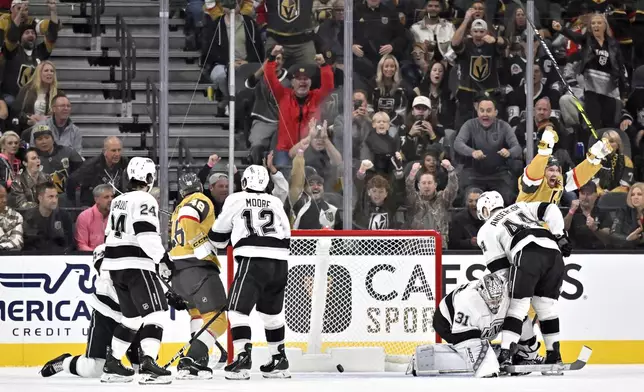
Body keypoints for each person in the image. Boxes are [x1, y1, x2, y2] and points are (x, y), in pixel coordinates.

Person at [208, 165, 292, 380]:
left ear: (244, 182)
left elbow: (218, 237)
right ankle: (279, 360)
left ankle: (242, 358)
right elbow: (286, 232)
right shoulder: (275, 201)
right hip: (280, 262)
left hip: (253, 260)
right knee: (270, 314)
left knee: (236, 311)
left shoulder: (236, 199)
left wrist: (225, 236)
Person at [475, 191, 572, 373]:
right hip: (554, 253)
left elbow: (501, 270)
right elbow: (550, 209)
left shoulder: (486, 229)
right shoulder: (520, 206)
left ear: (485, 210)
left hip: (527, 254)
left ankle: (506, 352)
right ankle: (554, 354)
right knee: (546, 307)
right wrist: (559, 235)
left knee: (517, 306)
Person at [100, 157, 174, 384]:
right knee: (157, 313)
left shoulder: (118, 200)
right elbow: (145, 232)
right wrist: (163, 258)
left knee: (131, 318)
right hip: (136, 264)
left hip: (115, 265)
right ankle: (149, 364)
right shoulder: (146, 199)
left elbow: (107, 235)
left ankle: (113, 363)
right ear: (150, 178)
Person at [39, 245, 142, 379]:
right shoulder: (107, 251)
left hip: (135, 315)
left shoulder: (143, 249)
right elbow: (104, 268)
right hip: (106, 312)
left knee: (141, 368)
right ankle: (65, 362)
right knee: (94, 369)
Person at [411, 272, 539, 378]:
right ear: (481, 292)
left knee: (520, 318)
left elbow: (519, 313)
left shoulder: (507, 293)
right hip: (448, 323)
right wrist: (493, 359)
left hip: (480, 324)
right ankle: (424, 358)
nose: (495, 305)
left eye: (498, 300)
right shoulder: (467, 301)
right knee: (483, 365)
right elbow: (466, 338)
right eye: (491, 300)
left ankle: (525, 354)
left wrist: (509, 344)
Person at [170, 172, 228, 379]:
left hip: (180, 272)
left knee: (198, 315)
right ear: (200, 187)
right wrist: (198, 242)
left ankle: (199, 362)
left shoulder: (177, 208)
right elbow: (189, 217)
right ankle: (192, 359)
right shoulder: (200, 200)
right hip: (198, 267)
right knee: (218, 319)